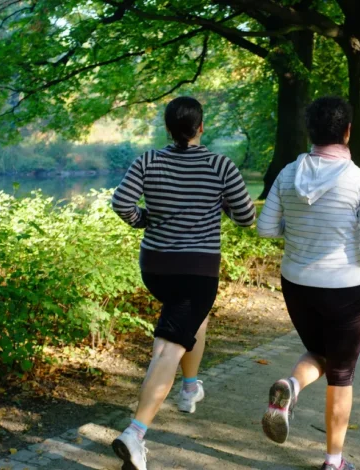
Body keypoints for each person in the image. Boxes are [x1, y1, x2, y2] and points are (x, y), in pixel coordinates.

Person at [257, 96, 360, 470]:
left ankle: (291, 387)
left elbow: (265, 229)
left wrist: (296, 231)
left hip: (296, 284)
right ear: (347, 131)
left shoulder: (286, 174)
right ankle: (333, 462)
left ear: (310, 132)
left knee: (320, 354)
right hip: (345, 292)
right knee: (341, 375)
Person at [110, 96, 256, 470]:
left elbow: (122, 203)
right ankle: (136, 433)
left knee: (194, 318)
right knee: (168, 349)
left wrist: (147, 219)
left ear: (168, 128)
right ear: (201, 127)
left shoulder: (148, 160)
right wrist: (218, 202)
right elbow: (245, 217)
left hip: (156, 268)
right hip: (197, 269)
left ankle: (190, 388)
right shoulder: (220, 165)